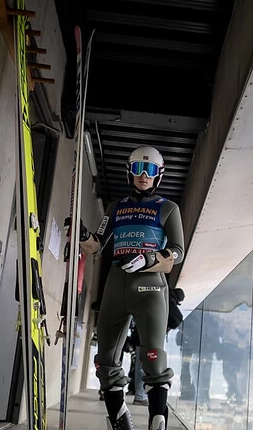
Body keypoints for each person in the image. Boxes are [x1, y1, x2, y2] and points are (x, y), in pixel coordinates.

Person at [74, 146, 184, 430]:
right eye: (137, 169)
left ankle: (156, 420)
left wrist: (149, 259)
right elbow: (97, 245)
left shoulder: (167, 208)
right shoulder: (116, 206)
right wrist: (81, 235)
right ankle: (119, 420)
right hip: (116, 282)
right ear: (129, 172)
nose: (143, 176)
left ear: (158, 175)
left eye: (149, 171)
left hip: (151, 286)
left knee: (153, 358)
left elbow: (176, 253)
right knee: (106, 359)